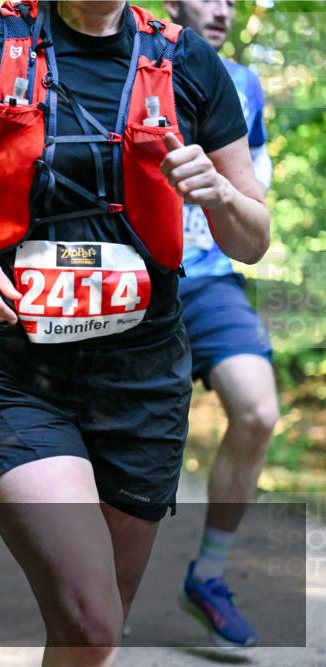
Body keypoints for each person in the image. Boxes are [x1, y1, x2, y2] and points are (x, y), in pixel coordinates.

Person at [0, 1, 269, 664]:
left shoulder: (188, 62)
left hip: (141, 377)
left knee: (97, 632)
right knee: (90, 618)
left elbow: (252, 240)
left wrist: (221, 196)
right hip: (11, 370)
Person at [164, 0, 277, 648]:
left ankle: (207, 576)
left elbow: (253, 202)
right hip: (127, 275)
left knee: (258, 412)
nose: (224, 10)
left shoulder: (245, 83)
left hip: (209, 276)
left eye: (235, 0)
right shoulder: (127, 57)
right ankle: (95, 581)